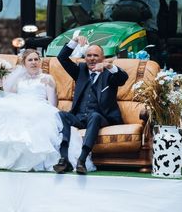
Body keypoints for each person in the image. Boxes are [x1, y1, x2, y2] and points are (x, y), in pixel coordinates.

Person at [0, 49, 93, 172]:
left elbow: (52, 103)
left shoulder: (47, 78)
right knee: (0, 115)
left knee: (32, 121)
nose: (34, 62)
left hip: (40, 107)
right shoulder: (18, 79)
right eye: (30, 60)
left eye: (36, 59)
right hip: (18, 104)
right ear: (24, 63)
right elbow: (6, 96)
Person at [54, 35, 129, 175]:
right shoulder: (80, 71)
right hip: (79, 116)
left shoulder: (109, 74)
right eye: (88, 55)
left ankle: (82, 160)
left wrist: (109, 65)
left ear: (102, 57)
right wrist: (75, 41)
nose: (92, 58)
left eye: (95, 55)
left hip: (101, 117)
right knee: (61, 115)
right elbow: (62, 58)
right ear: (85, 57)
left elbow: (123, 78)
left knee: (94, 116)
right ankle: (64, 159)